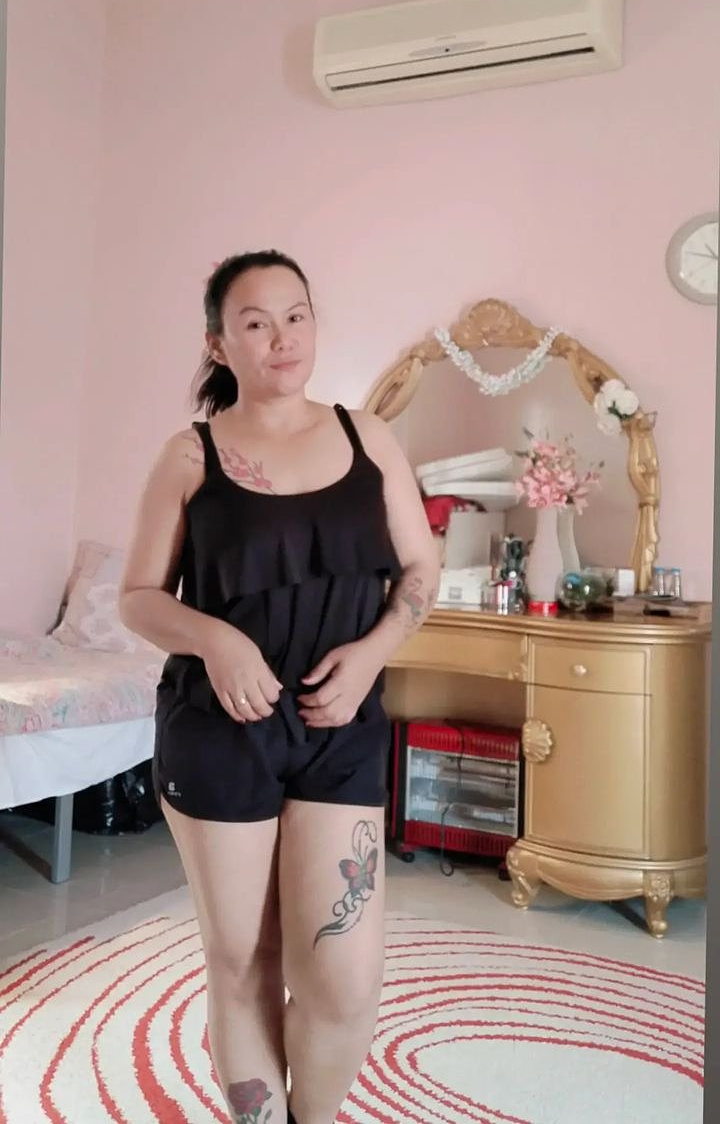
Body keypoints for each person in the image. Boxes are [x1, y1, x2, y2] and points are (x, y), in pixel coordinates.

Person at [119, 250, 439, 1124]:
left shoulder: (367, 437)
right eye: (255, 323)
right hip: (219, 728)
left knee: (344, 981)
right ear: (219, 343)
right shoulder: (190, 455)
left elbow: (420, 567)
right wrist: (216, 639)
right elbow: (138, 597)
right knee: (243, 961)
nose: (281, 338)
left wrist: (373, 652)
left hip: (342, 726)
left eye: (296, 316)